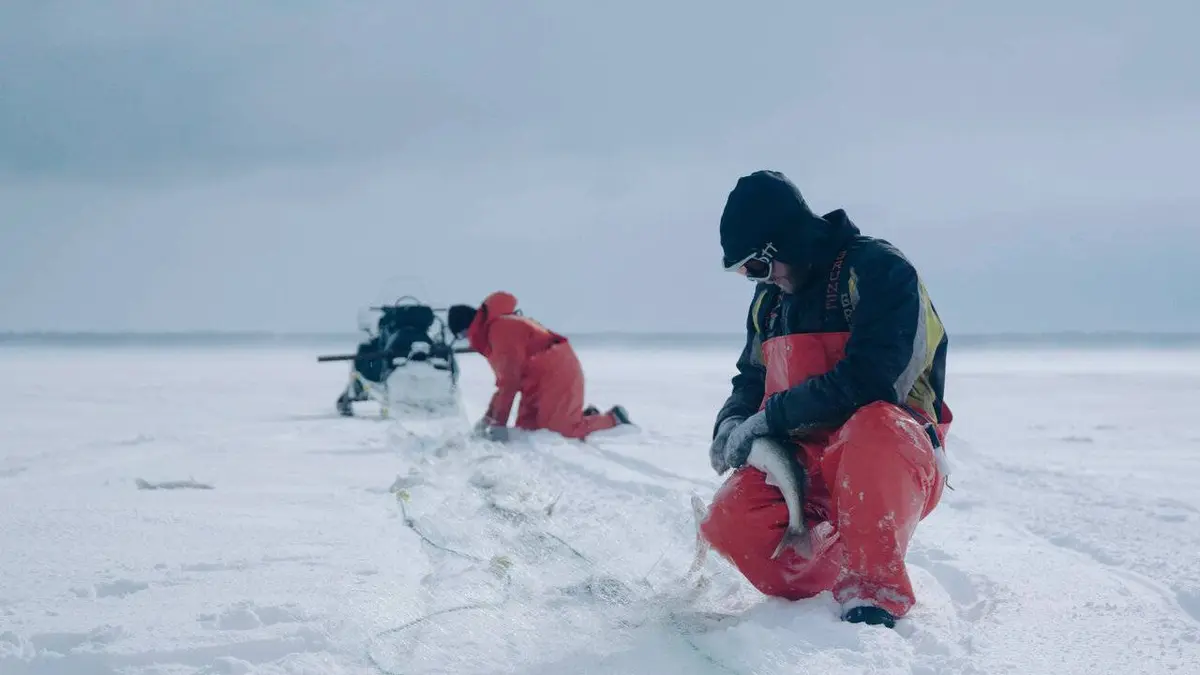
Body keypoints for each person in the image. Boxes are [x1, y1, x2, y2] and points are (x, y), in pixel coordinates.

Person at [699, 170, 954, 629]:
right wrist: (733, 420)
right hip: (806, 457)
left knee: (872, 426)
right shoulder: (769, 302)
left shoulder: (878, 271)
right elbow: (751, 377)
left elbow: (874, 380)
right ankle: (842, 551)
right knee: (730, 522)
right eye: (743, 273)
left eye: (756, 266)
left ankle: (874, 590)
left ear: (786, 242)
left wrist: (769, 418)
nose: (757, 280)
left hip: (892, 451)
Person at [446, 291, 632, 441]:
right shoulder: (492, 333)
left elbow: (510, 382)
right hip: (534, 379)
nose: (467, 341)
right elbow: (505, 383)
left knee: (560, 431)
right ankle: (580, 415)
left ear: (466, 328)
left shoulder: (500, 330)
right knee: (528, 429)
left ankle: (613, 419)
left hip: (556, 371)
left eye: (462, 336)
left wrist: (498, 424)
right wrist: (488, 419)